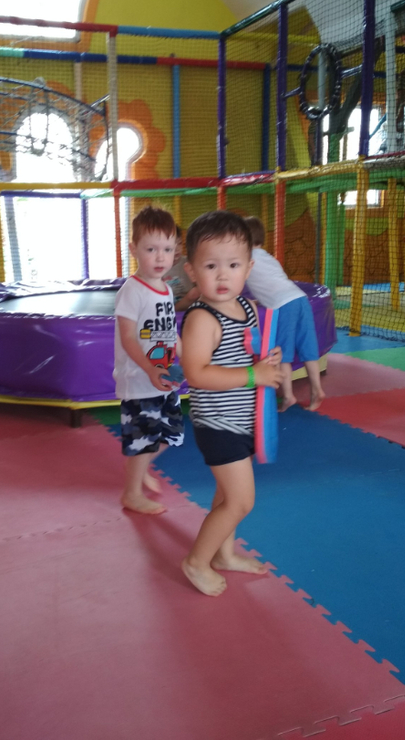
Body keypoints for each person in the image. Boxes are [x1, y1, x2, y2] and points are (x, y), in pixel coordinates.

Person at [180, 211, 282, 597]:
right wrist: (254, 375)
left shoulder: (247, 308)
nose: (223, 275)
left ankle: (224, 554)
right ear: (192, 271)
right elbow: (197, 374)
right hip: (218, 424)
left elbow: (247, 354)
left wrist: (267, 361)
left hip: (243, 421)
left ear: (249, 268)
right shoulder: (202, 319)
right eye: (211, 266)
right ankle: (196, 561)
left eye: (234, 265)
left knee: (225, 496)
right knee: (241, 501)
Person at [114, 206, 184, 516]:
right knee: (144, 438)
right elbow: (128, 337)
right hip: (140, 380)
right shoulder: (132, 291)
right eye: (151, 249)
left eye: (167, 249)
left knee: (171, 433)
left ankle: (139, 467)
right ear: (134, 249)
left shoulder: (166, 290)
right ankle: (131, 493)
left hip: (164, 377)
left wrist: (188, 358)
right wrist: (149, 368)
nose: (160, 257)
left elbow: (170, 331)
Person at [244, 215, 325, 412]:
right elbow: (274, 282)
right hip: (300, 299)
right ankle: (317, 389)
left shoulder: (246, 259)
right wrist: (262, 299)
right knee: (308, 347)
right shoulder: (270, 258)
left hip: (284, 305)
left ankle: (288, 396)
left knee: (283, 352)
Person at [163, 227, 200, 311]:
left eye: (179, 243)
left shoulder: (189, 262)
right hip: (165, 306)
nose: (177, 249)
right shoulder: (158, 267)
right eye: (171, 245)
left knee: (195, 293)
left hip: (188, 305)